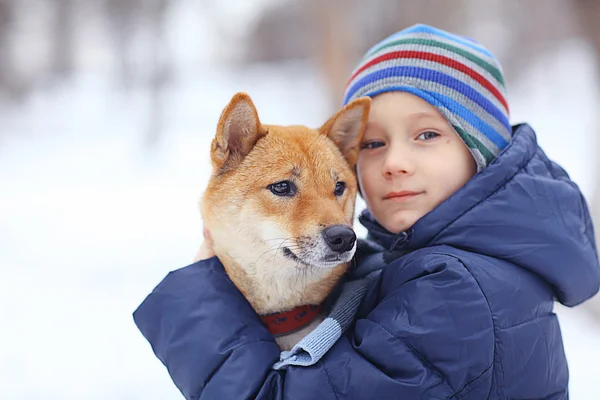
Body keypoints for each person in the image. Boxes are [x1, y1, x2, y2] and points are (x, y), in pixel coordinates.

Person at [133, 24, 600, 399]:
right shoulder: (416, 264)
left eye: (427, 135)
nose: (394, 162)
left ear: (481, 152)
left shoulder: (461, 291)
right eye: (373, 143)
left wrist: (202, 298)